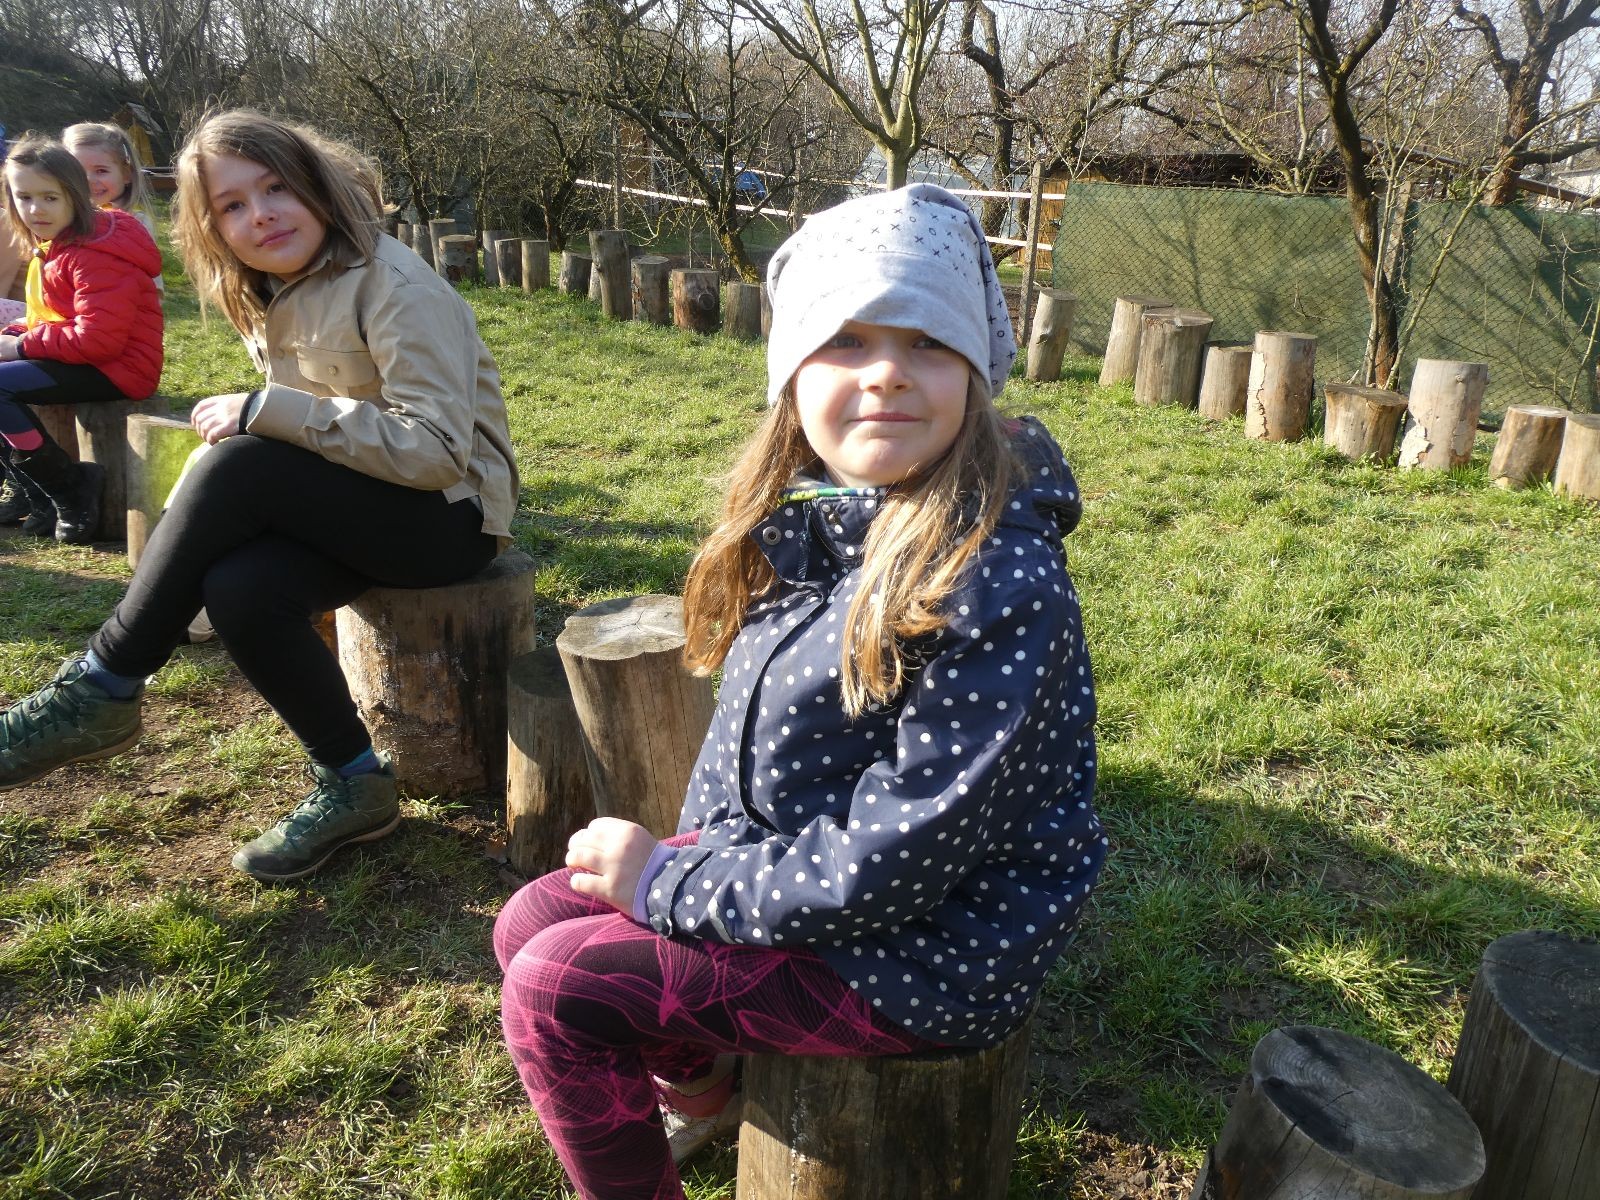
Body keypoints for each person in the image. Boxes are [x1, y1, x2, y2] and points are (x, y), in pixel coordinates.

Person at [494, 184, 1107, 1200]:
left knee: (556, 988)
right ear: (791, 374)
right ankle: (705, 1091)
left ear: (974, 373)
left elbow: (897, 861)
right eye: (845, 340)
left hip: (927, 950)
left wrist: (669, 888)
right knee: (529, 922)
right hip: (809, 879)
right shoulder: (823, 516)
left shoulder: (997, 579)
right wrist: (689, 864)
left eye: (928, 343)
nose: (886, 373)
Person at [0, 110, 519, 883]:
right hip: (361, 502)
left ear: (315, 185)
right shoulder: (269, 285)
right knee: (240, 588)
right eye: (232, 205)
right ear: (211, 228)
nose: (261, 214)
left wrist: (271, 413)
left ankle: (102, 685)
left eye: (276, 188)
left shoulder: (396, 285)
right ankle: (354, 781)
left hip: (450, 517)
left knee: (241, 459)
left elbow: (437, 451)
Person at [0, 136, 163, 540]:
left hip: (118, 368)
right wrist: (15, 332)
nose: (36, 209)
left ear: (74, 195)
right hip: (80, 356)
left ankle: (68, 486)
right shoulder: (55, 245)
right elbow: (54, 318)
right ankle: (34, 493)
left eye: (50, 197)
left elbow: (99, 339)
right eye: (24, 197)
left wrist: (19, 346)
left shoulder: (96, 252)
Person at [64, 121, 164, 294]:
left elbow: (150, 283)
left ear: (126, 174)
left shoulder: (135, 224)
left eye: (101, 171)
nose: (88, 180)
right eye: (78, 171)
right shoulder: (62, 219)